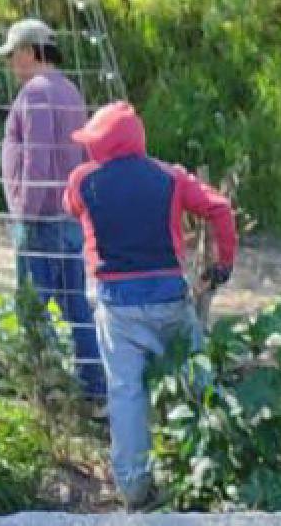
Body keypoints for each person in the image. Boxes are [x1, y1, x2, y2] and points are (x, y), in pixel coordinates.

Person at [63, 101, 237, 511]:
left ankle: (135, 491)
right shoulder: (169, 177)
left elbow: (72, 209)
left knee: (125, 393)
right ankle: (215, 466)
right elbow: (220, 208)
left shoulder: (82, 181)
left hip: (115, 304)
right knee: (197, 379)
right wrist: (222, 264)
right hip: (169, 298)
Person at [0, 18, 104, 398]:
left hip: (40, 219)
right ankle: (93, 387)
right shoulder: (69, 89)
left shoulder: (36, 93)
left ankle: (47, 387)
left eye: (12, 56)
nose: (11, 65)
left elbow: (37, 158)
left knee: (32, 307)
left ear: (27, 51)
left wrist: (25, 212)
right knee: (76, 305)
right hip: (68, 216)